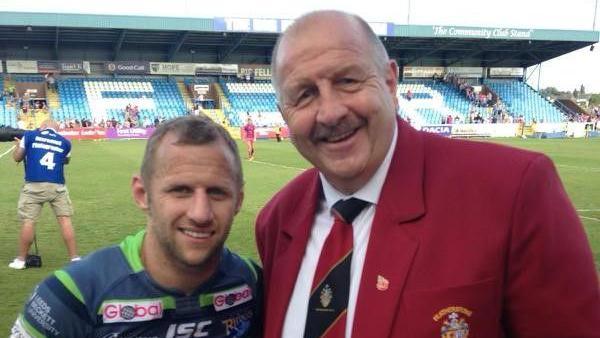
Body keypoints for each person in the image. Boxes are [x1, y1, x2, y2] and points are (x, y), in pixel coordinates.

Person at [255, 10, 600, 338]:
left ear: (390, 82)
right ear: (284, 112)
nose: (329, 112)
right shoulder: (277, 220)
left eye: (347, 80)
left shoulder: (513, 191)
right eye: (304, 95)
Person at [11, 115, 263, 337]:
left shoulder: (252, 282)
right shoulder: (71, 295)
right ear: (142, 194)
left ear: (238, 200)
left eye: (218, 193)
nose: (200, 213)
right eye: (180, 190)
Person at [9, 120, 80, 270]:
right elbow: (65, 161)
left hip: (34, 184)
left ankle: (21, 260)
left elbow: (17, 157)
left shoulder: (29, 135)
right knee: (65, 220)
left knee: (29, 221)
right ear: (57, 129)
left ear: (42, 126)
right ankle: (75, 258)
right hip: (57, 185)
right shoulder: (65, 142)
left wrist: (19, 146)